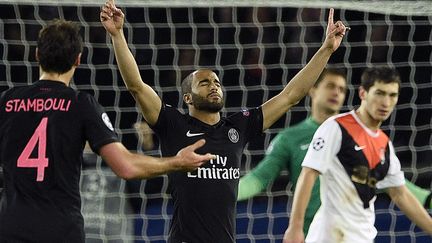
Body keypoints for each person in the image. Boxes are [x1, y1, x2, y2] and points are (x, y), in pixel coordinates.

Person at [100, 1, 348, 241]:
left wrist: (326, 49)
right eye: (205, 82)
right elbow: (136, 86)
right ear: (188, 97)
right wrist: (117, 35)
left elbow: (290, 97)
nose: (214, 86)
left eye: (217, 82)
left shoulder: (238, 127)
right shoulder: (173, 124)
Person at [0, 19, 215, 243]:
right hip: (60, 228)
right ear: (78, 59)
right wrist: (177, 162)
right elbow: (126, 167)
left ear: (36, 55)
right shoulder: (80, 104)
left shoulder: (6, 101)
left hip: (10, 226)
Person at [238, 67, 432, 235]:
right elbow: (258, 179)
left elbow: (400, 189)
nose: (337, 93)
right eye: (330, 86)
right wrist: (223, 189)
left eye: (342, 89)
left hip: (351, 231)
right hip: (310, 231)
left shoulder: (363, 136)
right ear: (312, 89)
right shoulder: (290, 138)